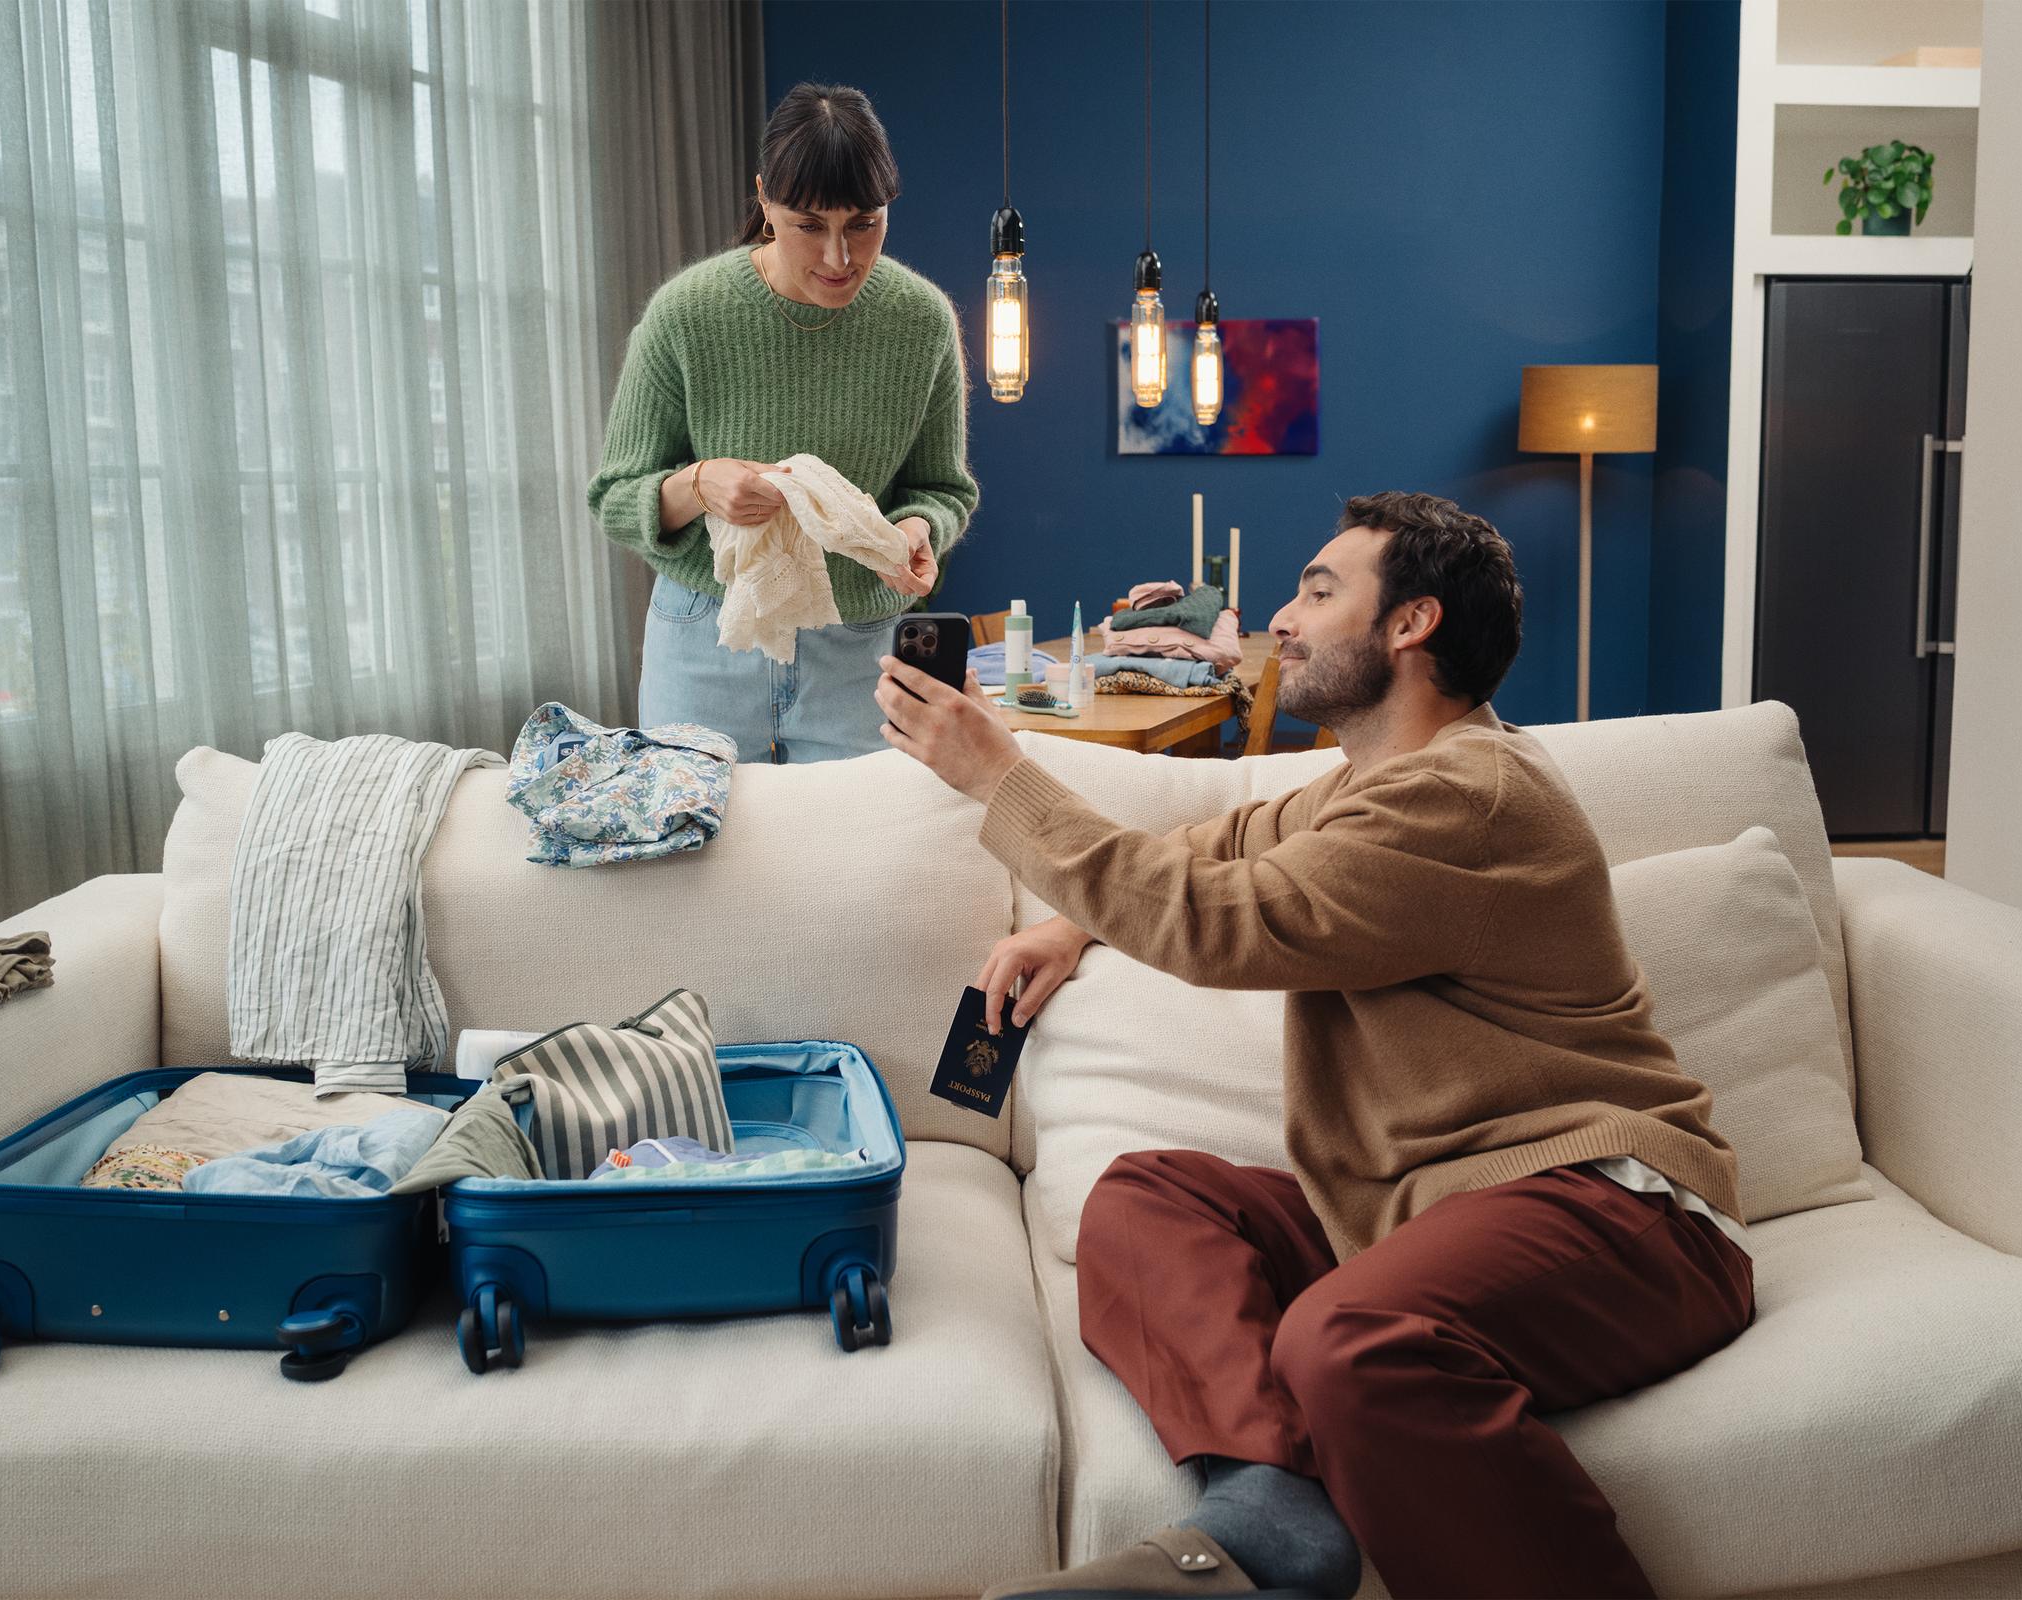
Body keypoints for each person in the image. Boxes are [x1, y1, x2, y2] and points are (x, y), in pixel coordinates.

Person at [875, 492, 1756, 1600]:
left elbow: (1227, 921)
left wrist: (999, 776)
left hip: (1618, 1206)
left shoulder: (1468, 796)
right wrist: (1070, 920)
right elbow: (1219, 844)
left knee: (1349, 1339)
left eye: (1318, 591)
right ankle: (1269, 1504)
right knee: (1145, 1196)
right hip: (1426, 1209)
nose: (1280, 620)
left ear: (1410, 625)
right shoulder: (1364, 787)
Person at [588, 82, 978, 764]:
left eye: (865, 223)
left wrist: (918, 529)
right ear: (765, 199)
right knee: (693, 863)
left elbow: (943, 489)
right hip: (705, 640)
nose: (840, 258)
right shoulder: (687, 314)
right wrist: (703, 484)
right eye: (809, 225)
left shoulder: (922, 322)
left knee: (860, 866)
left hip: (861, 649)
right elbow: (615, 497)